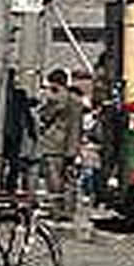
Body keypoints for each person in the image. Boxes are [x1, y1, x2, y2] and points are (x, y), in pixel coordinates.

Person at [37, 69, 80, 210]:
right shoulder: (76, 99)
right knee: (69, 179)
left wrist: (46, 101)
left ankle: (57, 208)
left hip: (54, 144)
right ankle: (69, 207)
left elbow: (45, 116)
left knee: (54, 179)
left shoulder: (56, 98)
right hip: (72, 144)